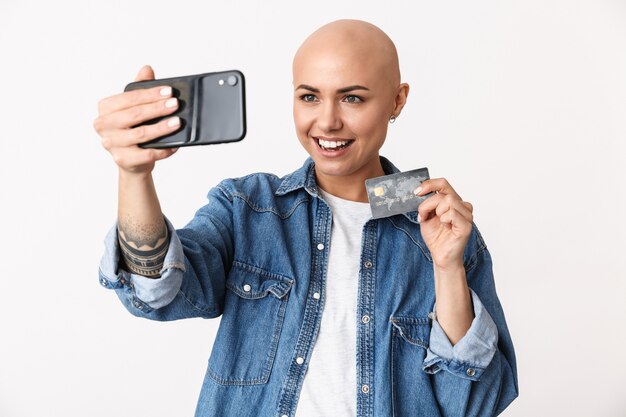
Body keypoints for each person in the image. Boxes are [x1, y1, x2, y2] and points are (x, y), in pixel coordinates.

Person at [94, 19, 518, 417]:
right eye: (309, 96)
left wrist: (445, 267)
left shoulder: (438, 228)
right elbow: (154, 291)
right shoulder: (248, 208)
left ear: (397, 99)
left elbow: (474, 406)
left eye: (353, 97)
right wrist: (134, 174)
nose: (327, 121)